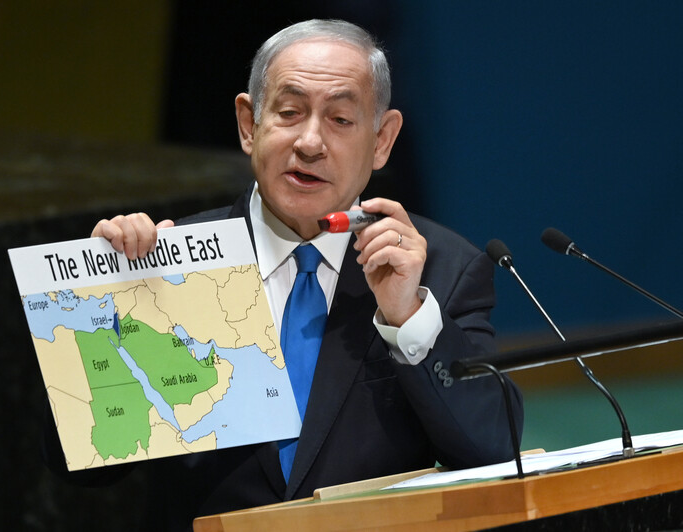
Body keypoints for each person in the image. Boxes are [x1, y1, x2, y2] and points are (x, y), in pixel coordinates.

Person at [44, 19, 522, 531]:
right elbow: (82, 472)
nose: (310, 142)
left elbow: (493, 449)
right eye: (290, 113)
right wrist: (106, 313)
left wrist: (409, 318)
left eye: (340, 119)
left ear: (382, 141)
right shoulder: (171, 264)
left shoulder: (440, 268)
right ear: (249, 125)